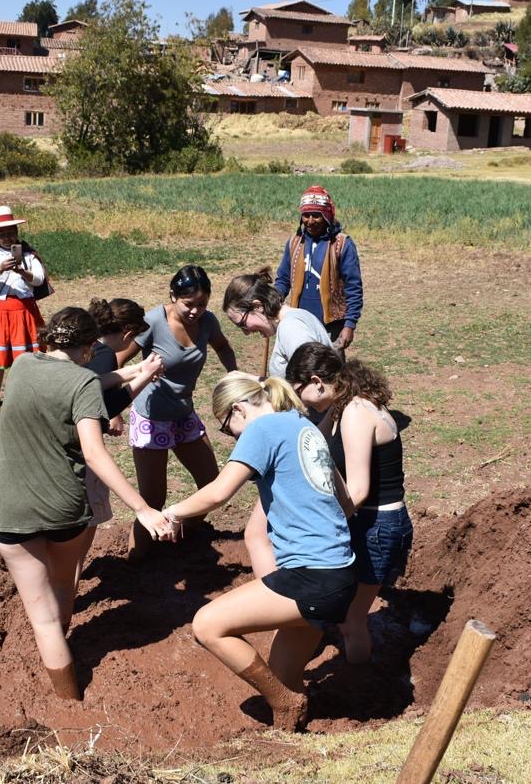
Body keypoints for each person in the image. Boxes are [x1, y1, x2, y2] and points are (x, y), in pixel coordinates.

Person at [0, 307, 174, 701]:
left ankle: (64, 695)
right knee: (63, 586)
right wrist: (142, 508)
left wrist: (130, 373)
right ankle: (71, 698)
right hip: (64, 512)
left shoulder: (20, 366)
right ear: (89, 347)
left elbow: (78, 382)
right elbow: (94, 452)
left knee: (41, 619)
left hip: (10, 513)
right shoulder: (83, 384)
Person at [162, 372, 356, 731]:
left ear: (237, 410)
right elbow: (345, 503)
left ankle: (285, 703)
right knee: (283, 674)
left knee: (207, 624)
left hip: (311, 576)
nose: (233, 437)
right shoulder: (304, 427)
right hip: (339, 573)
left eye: (227, 428)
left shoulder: (261, 430)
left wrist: (172, 512)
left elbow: (220, 493)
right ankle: (290, 743)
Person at [285, 343, 412, 664]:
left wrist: (323, 527)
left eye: (299, 391)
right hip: (371, 524)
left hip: (377, 528)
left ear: (316, 381)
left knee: (350, 621)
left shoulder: (355, 412)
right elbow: (316, 439)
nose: (301, 401)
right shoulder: (344, 406)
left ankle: (360, 689)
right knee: (344, 610)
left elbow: (358, 490)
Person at [118, 266, 237, 559]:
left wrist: (236, 378)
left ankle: (182, 542)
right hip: (151, 418)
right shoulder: (153, 322)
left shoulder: (208, 321)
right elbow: (118, 361)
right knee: (152, 499)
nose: (196, 311)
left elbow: (222, 346)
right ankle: (136, 563)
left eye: (203, 304)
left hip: (184, 413)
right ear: (173, 296)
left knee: (212, 483)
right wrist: (113, 407)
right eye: (189, 304)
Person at [77, 297, 163, 578]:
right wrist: (145, 376)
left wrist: (136, 372)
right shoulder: (104, 356)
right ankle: (71, 581)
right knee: (84, 523)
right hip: (80, 449)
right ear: (127, 334)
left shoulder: (85, 347)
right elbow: (102, 403)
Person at [0, 205, 47, 412]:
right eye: (2, 233)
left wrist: (23, 272)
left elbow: (39, 280)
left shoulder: (28, 255)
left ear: (16, 232)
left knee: (27, 356)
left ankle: (24, 395)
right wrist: (0, 268)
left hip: (24, 310)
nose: (6, 237)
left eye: (10, 232)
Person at [274, 185, 363, 350]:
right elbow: (284, 279)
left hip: (331, 324)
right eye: (306, 215)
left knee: (330, 371)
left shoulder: (342, 244)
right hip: (299, 321)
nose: (310, 221)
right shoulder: (295, 242)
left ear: (327, 216)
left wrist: (349, 325)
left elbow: (354, 288)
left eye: (316, 215)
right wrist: (272, 300)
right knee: (301, 369)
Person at [222, 268, 332, 380]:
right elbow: (291, 385)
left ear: (257, 306)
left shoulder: (292, 327)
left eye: (243, 323)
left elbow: (312, 383)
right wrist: (252, 380)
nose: (246, 332)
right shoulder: (294, 319)